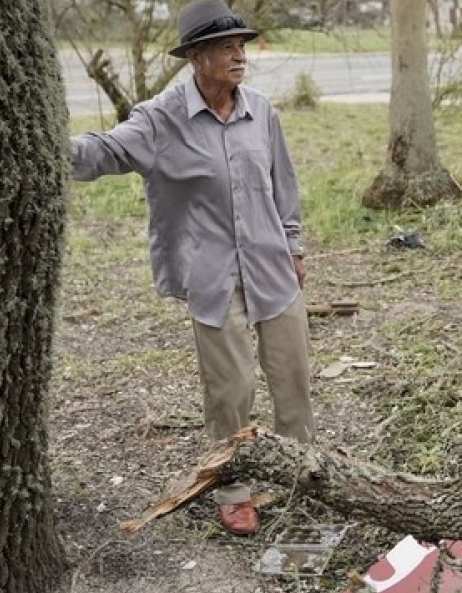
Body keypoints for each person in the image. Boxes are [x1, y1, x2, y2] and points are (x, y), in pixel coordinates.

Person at [70, 0, 316, 536]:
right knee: (230, 390)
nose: (238, 55)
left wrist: (294, 247)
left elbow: (284, 186)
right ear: (196, 57)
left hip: (271, 262)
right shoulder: (161, 119)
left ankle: (300, 473)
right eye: (226, 48)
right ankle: (233, 489)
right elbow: (105, 151)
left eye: (241, 46)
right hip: (212, 273)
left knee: (292, 374)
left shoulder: (261, 111)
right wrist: (44, 148)